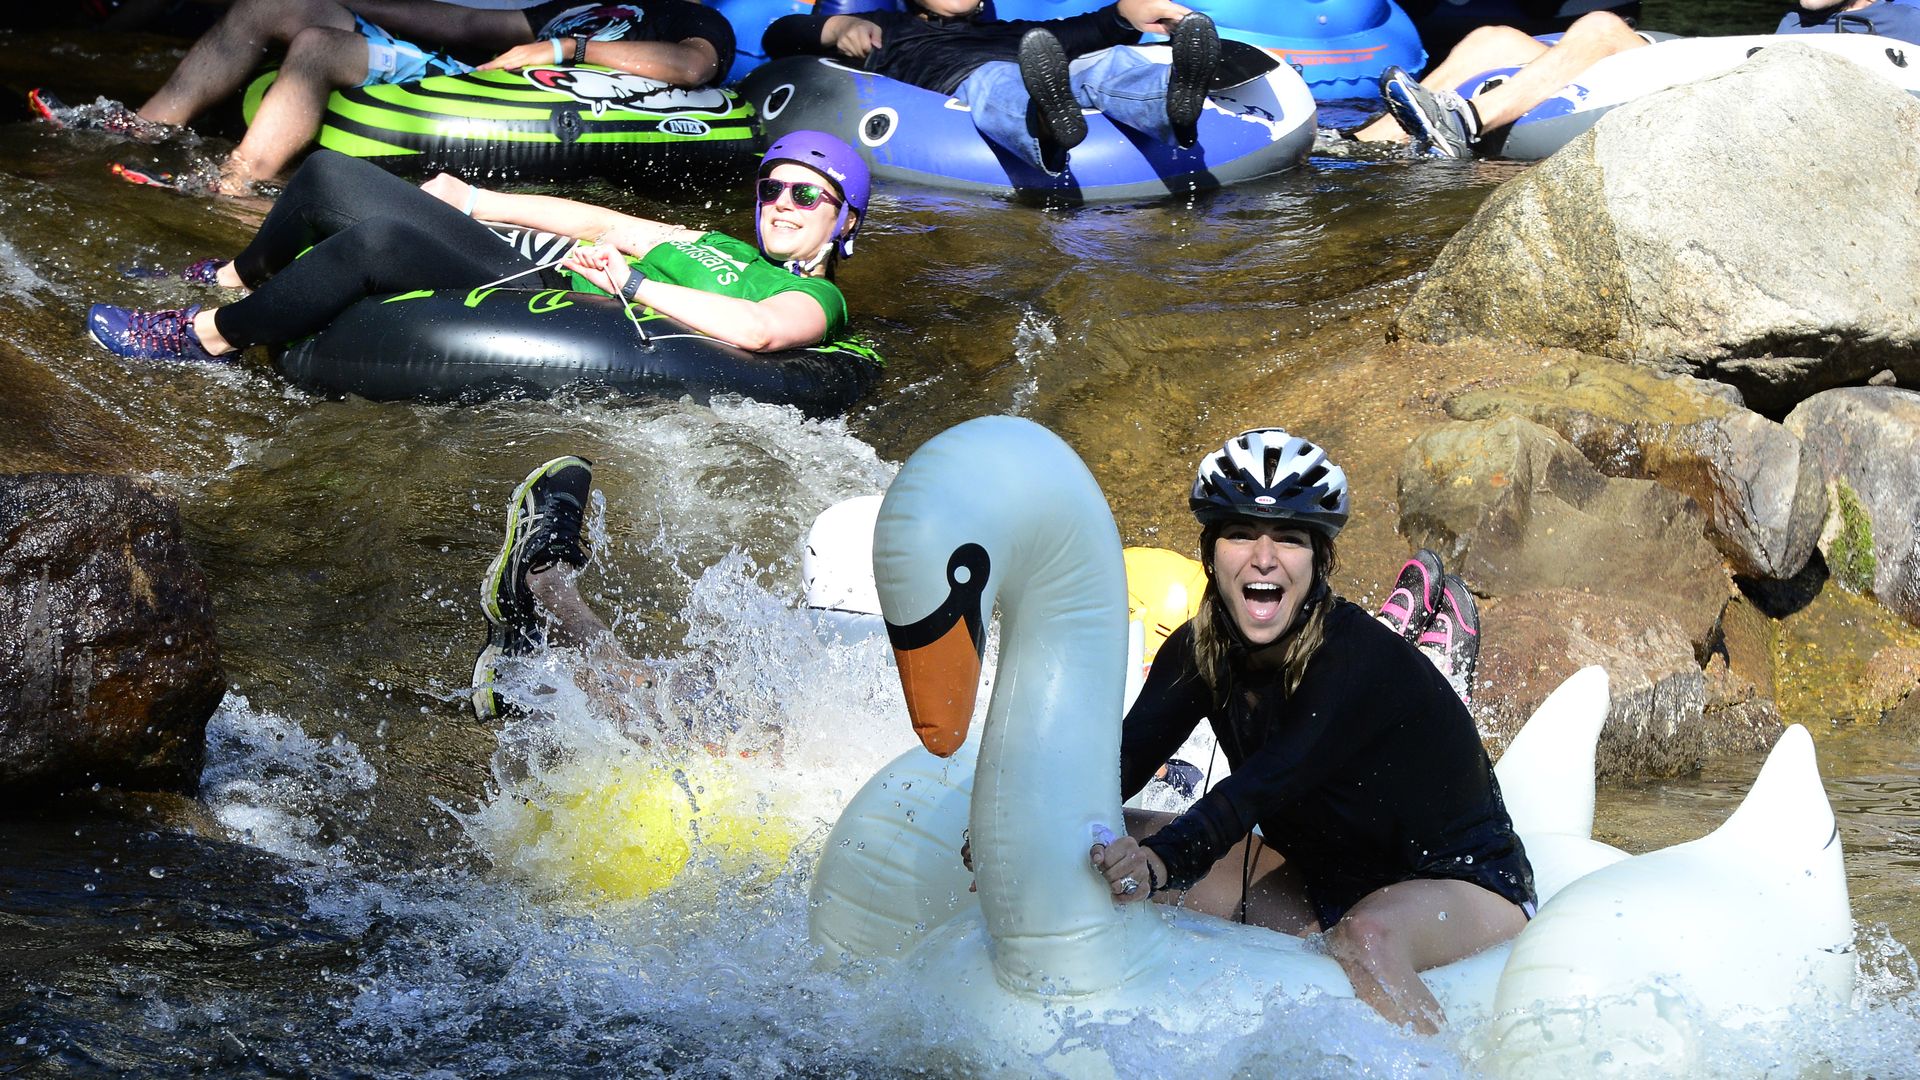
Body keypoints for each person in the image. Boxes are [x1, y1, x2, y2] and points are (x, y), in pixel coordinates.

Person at [1086, 427, 1533, 1032]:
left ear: (1320, 561)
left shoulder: (1354, 661)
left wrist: (1161, 863)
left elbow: (1263, 785)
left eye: (1290, 540)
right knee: (1102, 841)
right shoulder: (1198, 651)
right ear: (1209, 551)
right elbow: (1120, 763)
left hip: (1459, 881)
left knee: (1367, 937)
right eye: (1240, 533)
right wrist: (1032, 832)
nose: (1263, 557)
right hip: (1322, 879)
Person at [83, 129, 867, 365]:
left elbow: (765, 333)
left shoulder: (814, 297)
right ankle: (232, 274)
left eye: (807, 195)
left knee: (381, 238)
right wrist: (475, 200)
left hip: (548, 304)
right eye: (773, 189)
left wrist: (635, 287)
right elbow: (600, 223)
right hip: (535, 267)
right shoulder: (713, 241)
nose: (783, 205)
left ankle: (205, 337)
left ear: (845, 221)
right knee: (325, 174)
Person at [30, 0, 734, 194]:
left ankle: (237, 183)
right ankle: (144, 126)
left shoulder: (690, 16)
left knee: (317, 49)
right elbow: (464, 25)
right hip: (463, 76)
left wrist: (563, 48)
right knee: (274, 4)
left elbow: (693, 69)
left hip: (492, 103)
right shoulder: (571, 2)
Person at [1358, 0, 1920, 158]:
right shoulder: (1802, 20)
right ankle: (1358, 150)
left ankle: (1467, 122)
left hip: (1718, 89)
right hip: (1707, 65)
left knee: (1602, 27)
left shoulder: (1907, 18)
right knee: (1494, 40)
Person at [762, 0, 1220, 176]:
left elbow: (1085, 31)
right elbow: (781, 36)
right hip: (965, 78)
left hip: (1031, 63)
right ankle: (1042, 122)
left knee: (1109, 61)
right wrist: (836, 26)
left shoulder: (1015, 31)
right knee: (999, 82)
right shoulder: (886, 27)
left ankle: (1170, 102)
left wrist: (1123, 13)